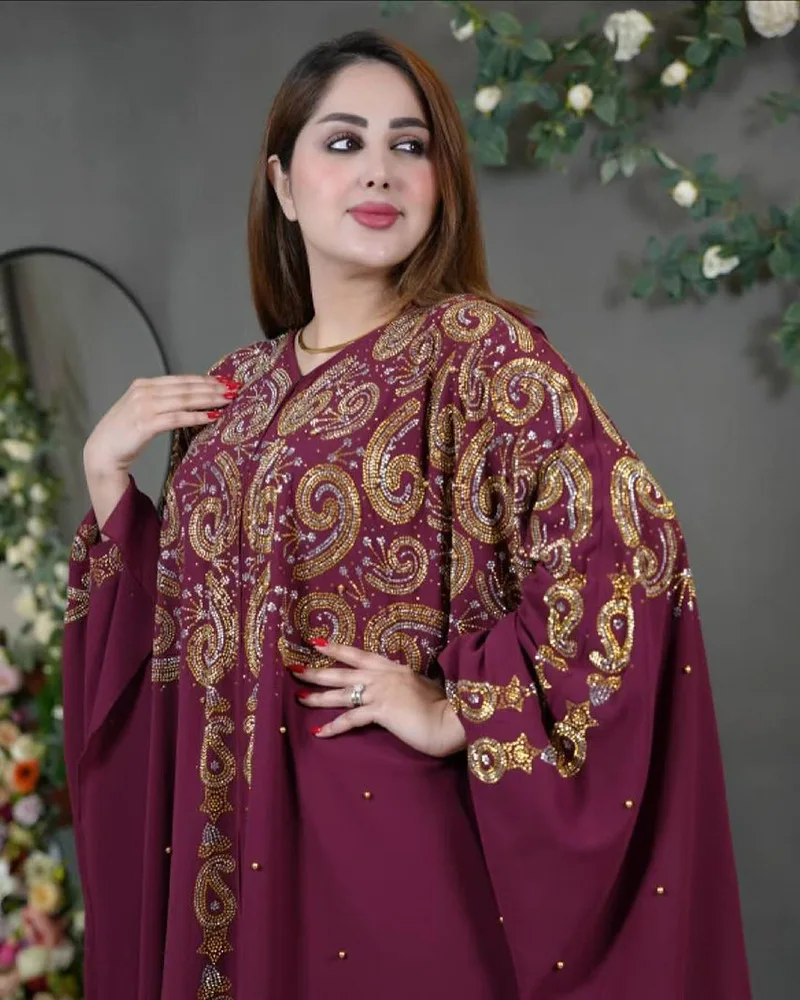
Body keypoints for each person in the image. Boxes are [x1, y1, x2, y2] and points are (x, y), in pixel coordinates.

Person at [61, 28, 752, 1000]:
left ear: (440, 181)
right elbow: (177, 642)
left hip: (393, 857)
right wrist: (107, 484)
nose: (379, 170)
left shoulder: (477, 353)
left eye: (409, 144)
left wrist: (461, 707)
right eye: (343, 141)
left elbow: (624, 547)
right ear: (283, 184)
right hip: (229, 868)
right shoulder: (234, 391)